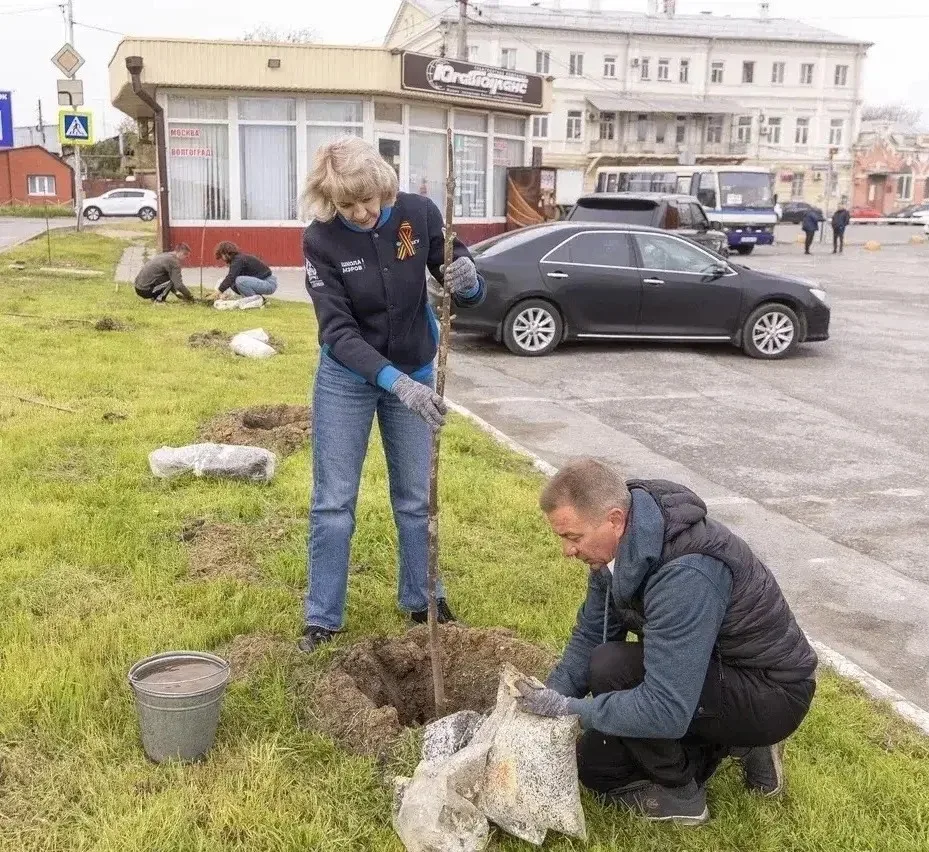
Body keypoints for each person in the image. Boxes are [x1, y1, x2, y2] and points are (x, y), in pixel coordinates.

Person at [515, 458, 817, 826]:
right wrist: (544, 701)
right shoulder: (617, 550)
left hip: (769, 692)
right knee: (594, 766)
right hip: (709, 671)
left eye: (573, 537)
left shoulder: (686, 573)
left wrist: (570, 709)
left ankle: (684, 792)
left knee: (611, 668)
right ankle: (727, 742)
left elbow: (666, 708)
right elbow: (592, 634)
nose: (567, 550)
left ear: (614, 520)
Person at [297, 136, 486, 652]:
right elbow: (337, 331)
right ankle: (323, 617)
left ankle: (424, 601)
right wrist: (394, 382)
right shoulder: (320, 240)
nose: (360, 213)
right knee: (333, 503)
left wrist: (469, 281)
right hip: (347, 380)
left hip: (415, 366)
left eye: (367, 200)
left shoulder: (419, 214)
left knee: (417, 498)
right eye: (346, 205)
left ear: (383, 185)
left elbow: (459, 278)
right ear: (329, 201)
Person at [208, 241, 278, 302]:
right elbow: (230, 280)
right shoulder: (238, 259)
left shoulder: (238, 260)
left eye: (221, 255)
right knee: (234, 284)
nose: (222, 259)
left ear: (225, 253)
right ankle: (261, 299)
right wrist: (219, 292)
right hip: (263, 282)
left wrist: (217, 292)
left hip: (268, 283)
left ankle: (256, 301)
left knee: (240, 280)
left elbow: (231, 277)